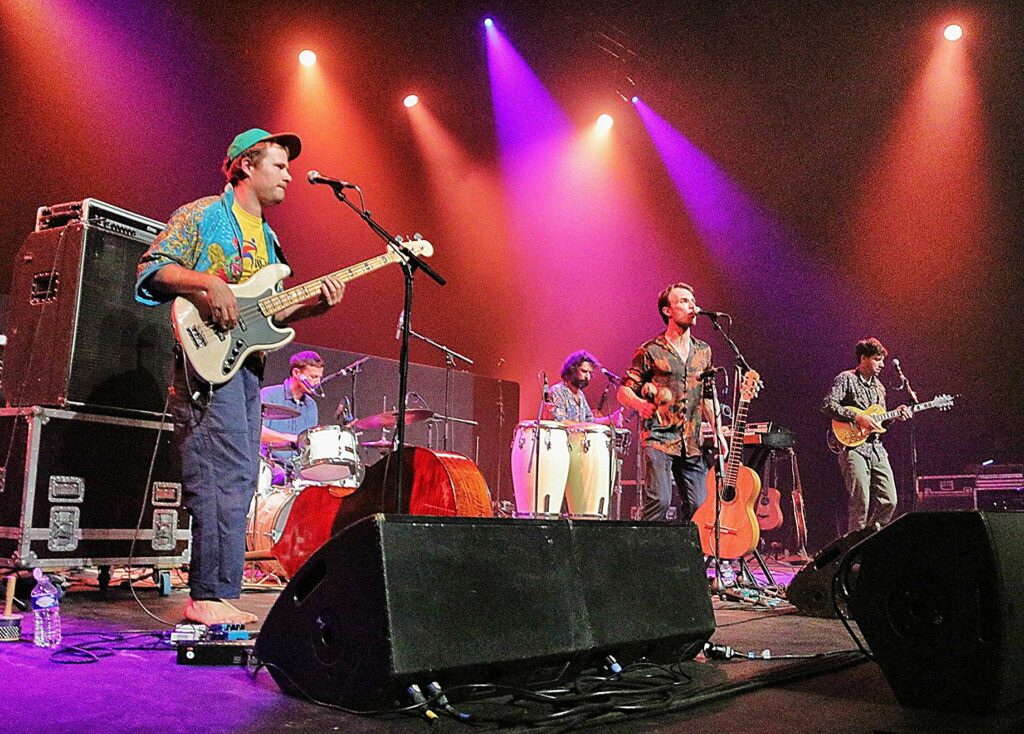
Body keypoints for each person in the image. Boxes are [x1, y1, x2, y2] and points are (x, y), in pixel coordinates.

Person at [135, 128, 345, 625]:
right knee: (215, 473)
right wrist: (208, 282)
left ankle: (219, 593)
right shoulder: (203, 214)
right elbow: (151, 271)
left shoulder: (269, 238)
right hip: (205, 364)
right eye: (279, 165)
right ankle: (205, 594)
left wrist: (314, 306)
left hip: (245, 367)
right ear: (246, 165)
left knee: (240, 477)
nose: (289, 176)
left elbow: (270, 315)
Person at [617, 283, 725, 522]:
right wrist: (640, 405)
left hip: (692, 442)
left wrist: (718, 431)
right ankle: (643, 546)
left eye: (692, 301)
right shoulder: (650, 351)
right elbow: (623, 392)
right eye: (683, 301)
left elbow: (708, 397)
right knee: (660, 501)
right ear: (667, 311)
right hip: (659, 439)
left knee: (700, 506)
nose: (692, 306)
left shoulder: (703, 351)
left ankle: (685, 547)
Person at [823, 337, 910, 533]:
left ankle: (869, 537)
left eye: (882, 361)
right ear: (863, 358)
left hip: (876, 448)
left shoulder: (880, 388)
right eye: (877, 359)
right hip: (853, 446)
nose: (882, 365)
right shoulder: (846, 378)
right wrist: (858, 417)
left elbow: (880, 422)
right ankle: (856, 546)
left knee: (890, 500)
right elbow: (828, 405)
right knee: (860, 500)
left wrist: (896, 415)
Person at [260, 350, 325, 475]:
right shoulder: (269, 395)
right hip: (271, 465)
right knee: (279, 474)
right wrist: (294, 439)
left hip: (299, 470)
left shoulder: (311, 405)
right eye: (313, 377)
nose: (318, 382)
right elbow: (259, 433)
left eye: (319, 377)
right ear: (296, 373)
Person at [547, 350, 621, 425]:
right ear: (572, 370)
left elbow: (590, 420)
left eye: (590, 373)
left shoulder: (580, 394)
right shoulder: (557, 391)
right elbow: (560, 421)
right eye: (584, 371)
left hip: (580, 432)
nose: (587, 377)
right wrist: (585, 426)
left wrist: (611, 419)